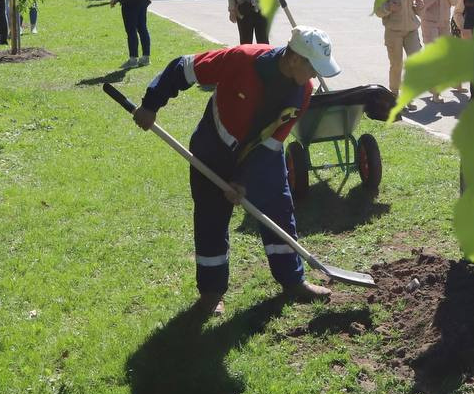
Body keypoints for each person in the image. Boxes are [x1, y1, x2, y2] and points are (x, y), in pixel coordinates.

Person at [131, 27, 342, 316]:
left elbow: (271, 142)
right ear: (294, 59)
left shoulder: (302, 92)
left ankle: (293, 280)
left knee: (279, 210)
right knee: (211, 217)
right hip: (214, 147)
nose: (315, 77)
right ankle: (211, 293)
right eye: (313, 68)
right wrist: (150, 104)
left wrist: (243, 181)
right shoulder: (243, 60)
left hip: (262, 153)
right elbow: (184, 67)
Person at [374, 0, 423, 99]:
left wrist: (419, 5)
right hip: (393, 31)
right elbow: (378, 11)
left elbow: (420, 11)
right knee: (396, 64)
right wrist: (388, 7)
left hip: (411, 29)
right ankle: (394, 94)